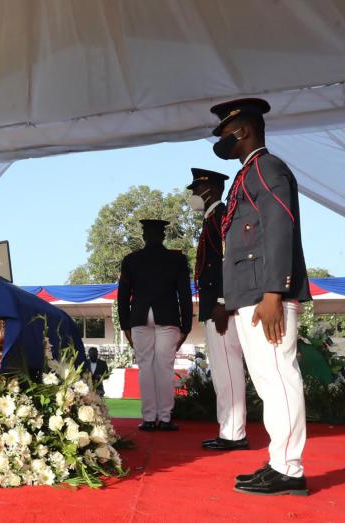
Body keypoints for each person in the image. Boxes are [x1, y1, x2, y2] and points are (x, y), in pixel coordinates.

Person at [210, 98, 311, 496]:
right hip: (250, 294)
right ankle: (279, 461)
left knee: (280, 378)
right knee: (269, 382)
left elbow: (278, 228)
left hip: (266, 294)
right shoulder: (246, 174)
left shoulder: (267, 168)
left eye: (224, 133)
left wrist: (274, 291)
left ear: (244, 131)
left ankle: (289, 468)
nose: (220, 140)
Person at [187, 167, 249, 451]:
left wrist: (224, 301)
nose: (193, 196)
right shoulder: (211, 218)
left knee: (228, 368)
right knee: (222, 370)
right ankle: (228, 429)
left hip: (221, 306)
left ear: (210, 190)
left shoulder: (221, 217)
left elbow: (228, 262)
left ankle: (234, 433)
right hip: (214, 304)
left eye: (196, 191)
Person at [117, 219, 193, 432]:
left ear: (144, 236)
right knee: (165, 368)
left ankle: (149, 418)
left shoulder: (131, 260)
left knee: (145, 367)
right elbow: (184, 295)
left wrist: (125, 326)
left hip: (140, 316)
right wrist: (186, 326)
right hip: (167, 315)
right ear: (163, 236)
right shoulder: (177, 260)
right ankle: (165, 418)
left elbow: (123, 296)